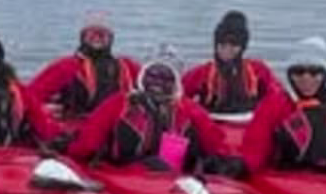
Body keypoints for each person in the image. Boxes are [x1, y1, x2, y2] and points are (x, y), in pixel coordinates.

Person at [67, 50, 226, 170]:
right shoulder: (119, 103)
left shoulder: (189, 109)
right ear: (142, 76)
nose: (157, 83)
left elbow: (214, 141)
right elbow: (89, 140)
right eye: (153, 76)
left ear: (175, 83)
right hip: (125, 173)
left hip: (172, 177)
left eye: (165, 78)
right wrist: (73, 154)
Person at [240, 37, 326, 177]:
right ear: (290, 75)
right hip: (291, 178)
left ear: (324, 75)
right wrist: (244, 167)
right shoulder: (274, 105)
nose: (306, 79)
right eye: (299, 72)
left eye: (314, 72)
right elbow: (255, 147)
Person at [28, 17, 140, 120]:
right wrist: (43, 110)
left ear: (111, 39)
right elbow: (29, 96)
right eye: (92, 33)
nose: (97, 37)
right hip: (80, 125)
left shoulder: (127, 66)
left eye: (102, 34)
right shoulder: (67, 66)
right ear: (82, 37)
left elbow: (147, 87)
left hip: (118, 124)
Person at [181, 10, 278, 113]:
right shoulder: (202, 73)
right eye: (222, 44)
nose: (227, 50)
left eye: (233, 44)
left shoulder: (258, 71)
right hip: (210, 119)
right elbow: (178, 95)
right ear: (216, 44)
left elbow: (277, 95)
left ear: (242, 47)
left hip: (251, 119)